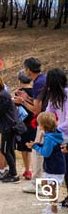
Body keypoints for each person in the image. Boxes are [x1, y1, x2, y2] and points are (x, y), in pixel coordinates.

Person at [13, 57, 46, 193]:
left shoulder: (38, 82)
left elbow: (36, 110)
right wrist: (27, 98)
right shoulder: (43, 78)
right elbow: (40, 102)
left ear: (27, 69)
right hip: (48, 119)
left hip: (43, 122)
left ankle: (37, 184)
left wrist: (22, 102)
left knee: (38, 153)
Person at [27, 112, 66, 214]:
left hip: (54, 167)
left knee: (50, 188)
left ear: (43, 126)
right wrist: (40, 136)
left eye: (39, 124)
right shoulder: (55, 133)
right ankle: (52, 205)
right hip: (56, 165)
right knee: (46, 185)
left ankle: (54, 209)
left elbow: (46, 153)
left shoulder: (49, 138)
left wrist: (34, 147)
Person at [42, 68, 68, 208]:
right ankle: (52, 205)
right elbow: (48, 113)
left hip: (62, 136)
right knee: (60, 170)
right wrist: (43, 125)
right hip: (60, 137)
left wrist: (55, 131)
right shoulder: (55, 96)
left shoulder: (67, 94)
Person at [15, 70, 36, 180]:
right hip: (35, 120)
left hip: (23, 122)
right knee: (35, 146)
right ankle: (35, 169)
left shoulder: (18, 92)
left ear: (19, 80)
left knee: (24, 147)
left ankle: (27, 170)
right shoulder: (36, 91)